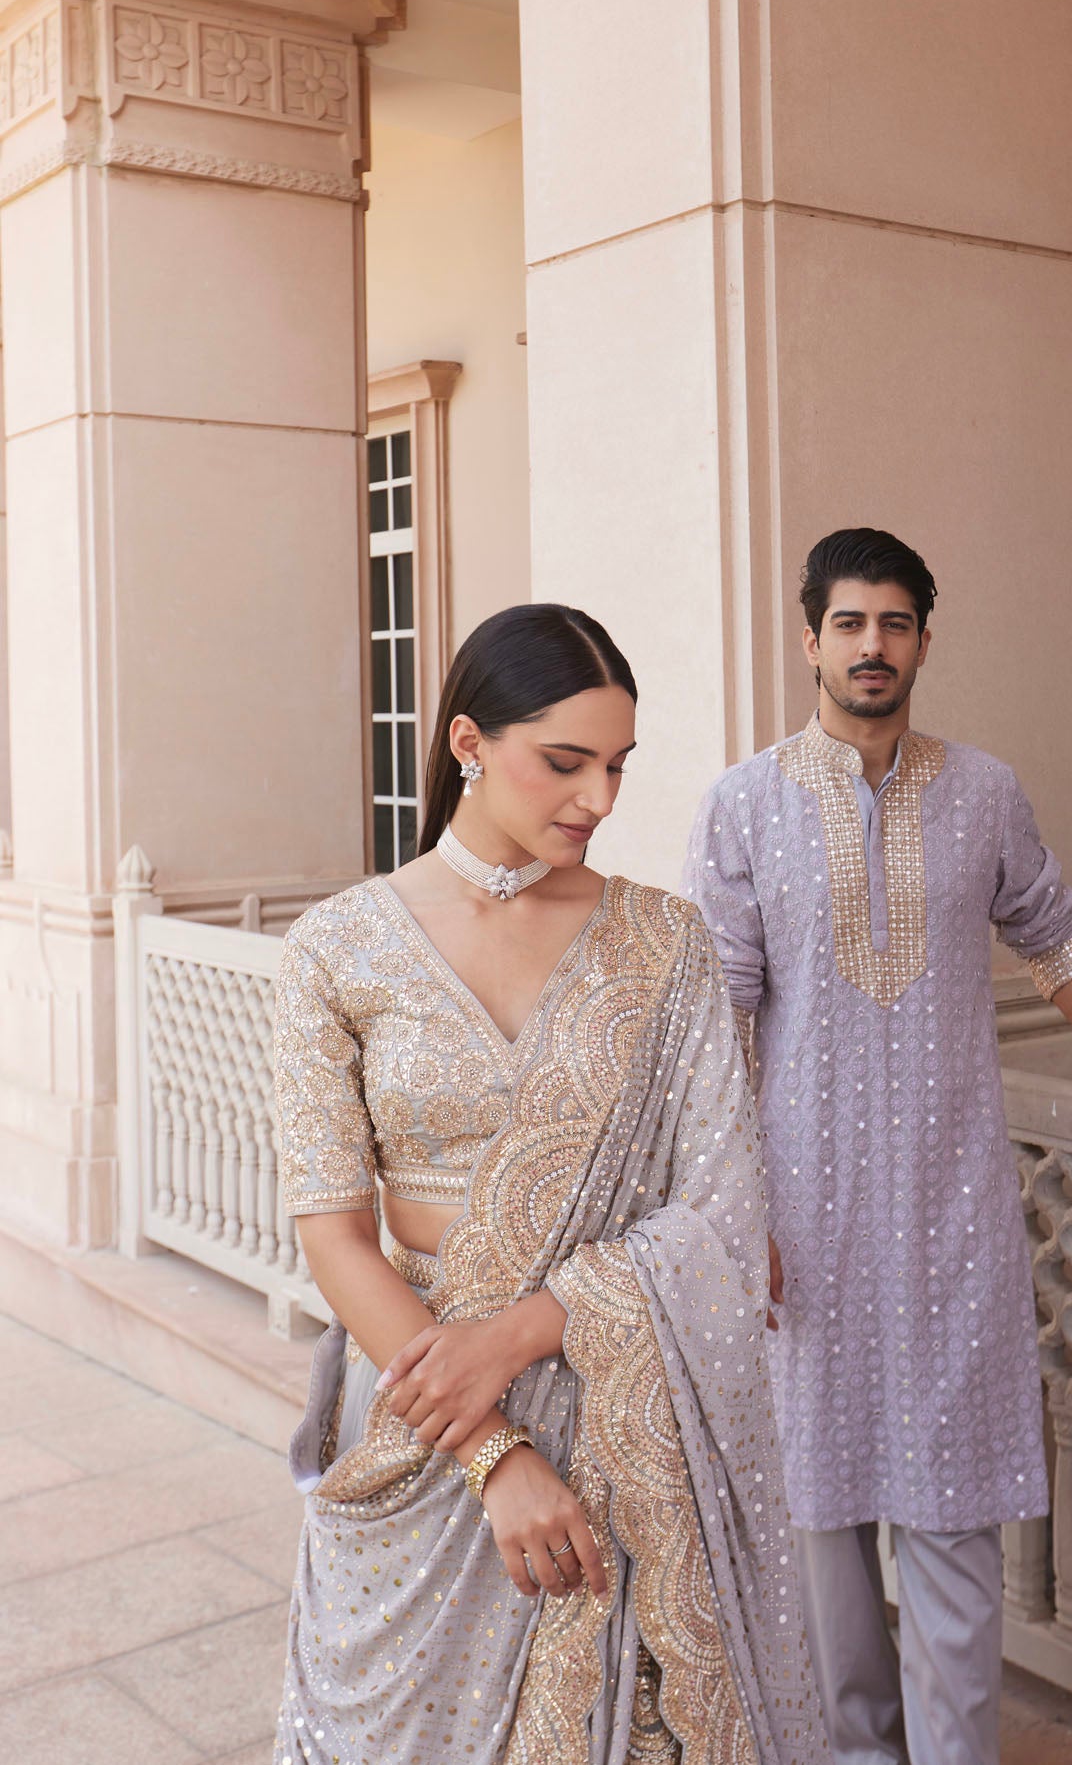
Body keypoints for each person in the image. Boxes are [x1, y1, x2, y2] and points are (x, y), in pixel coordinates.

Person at [682, 528, 1072, 1765]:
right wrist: (734, 1204)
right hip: (799, 1219)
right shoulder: (746, 802)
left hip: (950, 1208)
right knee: (818, 1522)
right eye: (850, 623)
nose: (873, 645)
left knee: (952, 1503)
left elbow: (1055, 935)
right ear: (808, 637)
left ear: (924, 637)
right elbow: (721, 1015)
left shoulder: (981, 790)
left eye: (896, 623)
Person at [270, 603, 827, 1765]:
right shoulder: (337, 948)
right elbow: (334, 1236)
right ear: (469, 742)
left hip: (612, 1415)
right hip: (420, 1419)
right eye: (564, 762)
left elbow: (721, 1212)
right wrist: (489, 1452)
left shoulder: (663, 944)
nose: (599, 800)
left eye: (617, 766)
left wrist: (520, 1331)